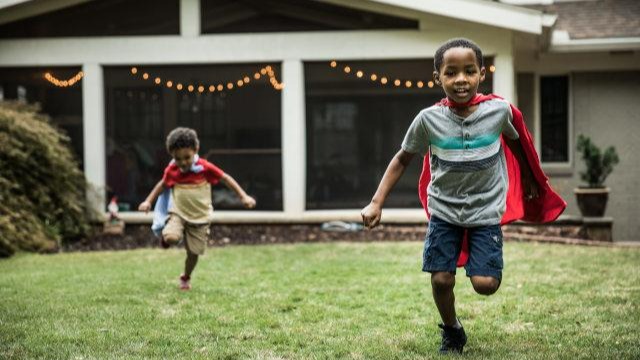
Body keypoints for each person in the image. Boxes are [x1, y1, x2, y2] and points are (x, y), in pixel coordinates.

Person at [360, 38, 565, 354]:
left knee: (485, 285)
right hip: (445, 211)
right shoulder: (428, 119)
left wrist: (526, 177)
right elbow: (402, 158)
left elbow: (516, 141)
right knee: (441, 279)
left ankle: (481, 264)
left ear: (482, 74)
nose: (460, 80)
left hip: (485, 212)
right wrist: (377, 201)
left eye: (469, 71)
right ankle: (452, 330)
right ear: (437, 77)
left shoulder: (497, 112)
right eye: (451, 72)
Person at [138, 127, 256, 290]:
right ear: (172, 156)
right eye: (178, 159)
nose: (183, 162)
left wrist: (243, 196)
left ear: (196, 150)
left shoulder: (205, 168)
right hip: (178, 213)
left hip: (200, 217)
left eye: (187, 157)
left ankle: (185, 277)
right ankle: (168, 237)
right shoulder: (172, 170)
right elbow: (162, 185)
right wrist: (148, 201)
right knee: (172, 237)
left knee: (193, 253)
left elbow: (226, 179)